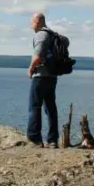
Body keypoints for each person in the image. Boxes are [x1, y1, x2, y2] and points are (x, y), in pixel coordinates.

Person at [26, 12, 58, 147]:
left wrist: (30, 68)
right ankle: (52, 140)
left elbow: (38, 55)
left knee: (34, 106)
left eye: (31, 21)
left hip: (40, 76)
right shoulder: (52, 34)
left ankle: (35, 138)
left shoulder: (40, 35)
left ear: (37, 21)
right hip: (52, 76)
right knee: (50, 108)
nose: (30, 24)